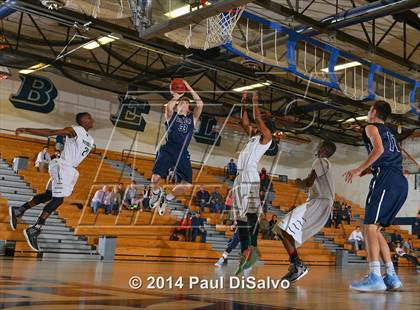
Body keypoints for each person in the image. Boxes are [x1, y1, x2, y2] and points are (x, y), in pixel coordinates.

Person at [344, 101, 408, 292]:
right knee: (375, 229)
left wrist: (358, 169)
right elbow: (385, 155)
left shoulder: (370, 126)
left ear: (373, 112)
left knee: (369, 227)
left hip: (386, 179)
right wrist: (364, 172)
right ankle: (391, 276)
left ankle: (374, 276)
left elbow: (378, 150)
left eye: (369, 109)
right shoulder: (389, 132)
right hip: (399, 182)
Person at [9, 112, 95, 251]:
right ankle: (35, 229)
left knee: (49, 196)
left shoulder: (90, 139)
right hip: (63, 166)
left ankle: (19, 210)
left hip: (69, 169)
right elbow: (51, 132)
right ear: (83, 120)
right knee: (58, 200)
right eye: (89, 118)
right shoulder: (75, 130)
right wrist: (27, 129)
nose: (92, 120)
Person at [272, 140, 336, 283]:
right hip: (320, 203)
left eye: (319, 146)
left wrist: (299, 182)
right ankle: (296, 263)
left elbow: (308, 182)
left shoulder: (320, 161)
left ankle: (298, 265)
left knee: (283, 227)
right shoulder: (325, 164)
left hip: (320, 203)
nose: (317, 148)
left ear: (323, 149)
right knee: (281, 228)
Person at [232, 91, 273, 275]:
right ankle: (247, 253)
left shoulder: (267, 138)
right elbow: (245, 121)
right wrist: (244, 102)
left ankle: (251, 251)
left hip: (249, 177)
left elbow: (255, 118)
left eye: (263, 121)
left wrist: (255, 100)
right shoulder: (253, 136)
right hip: (240, 177)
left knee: (250, 216)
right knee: (242, 217)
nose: (259, 122)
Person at [149, 80, 203, 216]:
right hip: (168, 148)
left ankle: (166, 199)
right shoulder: (171, 116)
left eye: (186, 103)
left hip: (182, 152)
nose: (184, 104)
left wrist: (187, 86)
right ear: (178, 106)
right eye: (181, 103)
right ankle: (155, 193)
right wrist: (177, 95)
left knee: (188, 185)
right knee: (155, 178)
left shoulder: (192, 119)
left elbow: (200, 103)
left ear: (188, 108)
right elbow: (169, 106)